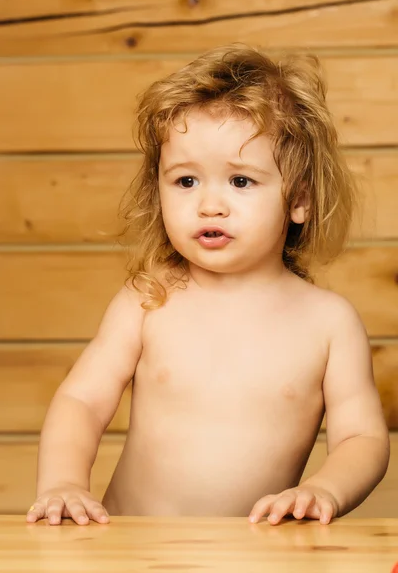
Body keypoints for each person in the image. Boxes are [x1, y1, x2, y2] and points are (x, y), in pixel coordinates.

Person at [26, 44, 390, 527]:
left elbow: (361, 439)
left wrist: (324, 489)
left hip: (253, 559)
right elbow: (82, 400)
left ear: (299, 198)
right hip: (131, 551)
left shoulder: (327, 323)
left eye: (240, 182)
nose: (209, 205)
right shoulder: (148, 300)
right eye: (185, 181)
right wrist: (63, 484)